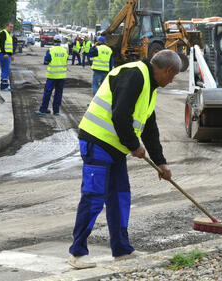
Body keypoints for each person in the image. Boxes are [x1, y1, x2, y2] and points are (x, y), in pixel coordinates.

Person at [67, 50, 181, 269]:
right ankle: (77, 253)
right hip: (97, 142)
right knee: (93, 197)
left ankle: (121, 250)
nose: (172, 80)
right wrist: (134, 146)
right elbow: (120, 115)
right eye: (173, 76)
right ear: (168, 70)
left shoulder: (149, 86)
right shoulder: (135, 74)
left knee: (120, 197)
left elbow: (150, 128)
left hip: (115, 148)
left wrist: (161, 162)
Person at [35, 35, 68, 116]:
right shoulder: (65, 51)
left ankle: (43, 109)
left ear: (54, 41)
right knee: (58, 93)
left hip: (52, 76)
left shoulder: (51, 50)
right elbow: (66, 60)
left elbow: (46, 61)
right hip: (62, 76)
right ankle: (56, 111)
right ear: (60, 41)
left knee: (47, 92)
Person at [0, 22, 14, 91]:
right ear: (6, 26)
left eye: (12, 27)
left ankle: (4, 86)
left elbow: (9, 46)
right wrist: (4, 53)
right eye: (10, 27)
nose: (11, 28)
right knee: (5, 70)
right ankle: (4, 87)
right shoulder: (3, 33)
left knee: (5, 70)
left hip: (7, 54)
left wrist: (11, 55)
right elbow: (2, 44)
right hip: (4, 55)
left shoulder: (8, 34)